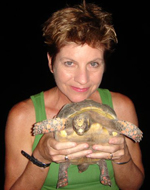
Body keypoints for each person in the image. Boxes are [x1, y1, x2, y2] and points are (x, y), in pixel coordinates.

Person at [5, 1, 144, 190]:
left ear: (104, 65)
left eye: (93, 64)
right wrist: (41, 156)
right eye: (69, 63)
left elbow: (134, 185)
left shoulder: (121, 107)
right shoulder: (24, 116)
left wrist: (123, 156)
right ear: (51, 62)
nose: (82, 79)